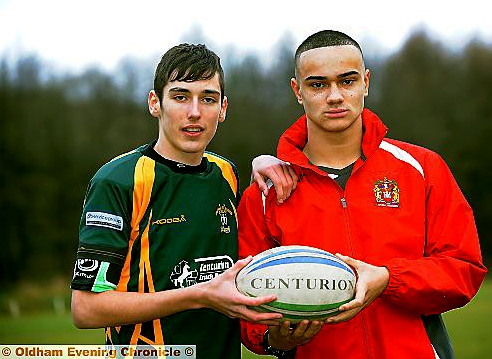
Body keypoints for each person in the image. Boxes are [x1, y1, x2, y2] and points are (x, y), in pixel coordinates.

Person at [238, 30, 487, 359]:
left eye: (347, 81)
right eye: (318, 84)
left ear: (366, 82)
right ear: (297, 90)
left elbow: (463, 270)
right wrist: (275, 339)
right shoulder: (266, 193)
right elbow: (244, 299)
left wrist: (388, 279)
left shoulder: (422, 168)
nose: (335, 96)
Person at [70, 43, 296, 359]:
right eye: (180, 97)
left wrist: (263, 161)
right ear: (155, 103)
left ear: (223, 108)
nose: (194, 112)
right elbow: (86, 309)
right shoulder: (119, 180)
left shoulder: (225, 173)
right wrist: (200, 295)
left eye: (208, 99)